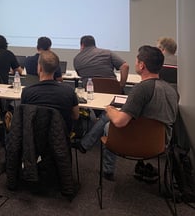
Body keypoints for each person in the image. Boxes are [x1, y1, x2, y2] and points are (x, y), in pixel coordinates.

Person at [75, 46, 178, 181]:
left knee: (109, 123)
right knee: (109, 117)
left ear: (141, 65)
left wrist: (110, 109)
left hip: (134, 141)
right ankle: (85, 144)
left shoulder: (141, 89)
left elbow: (120, 122)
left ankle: (107, 170)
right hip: (160, 143)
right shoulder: (171, 90)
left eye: (136, 61)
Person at [21, 50, 79, 133]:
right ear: (56, 69)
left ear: (40, 68)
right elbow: (76, 116)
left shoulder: (27, 92)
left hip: (34, 136)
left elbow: (24, 116)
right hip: (61, 136)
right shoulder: (69, 91)